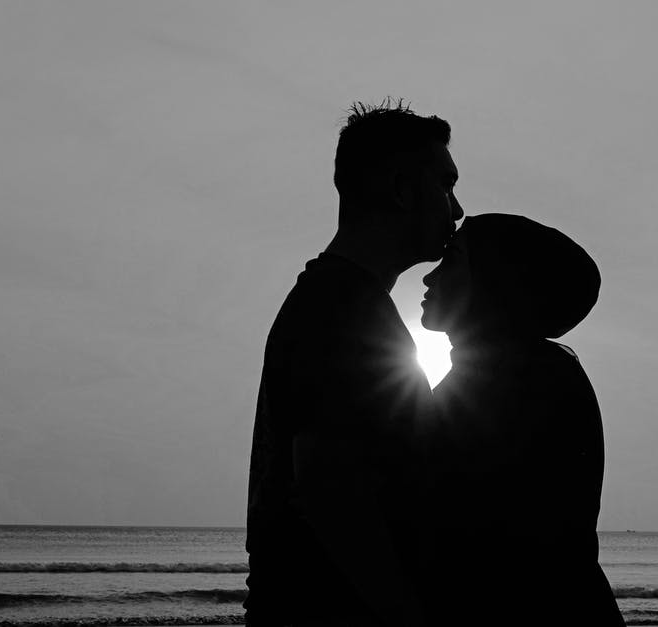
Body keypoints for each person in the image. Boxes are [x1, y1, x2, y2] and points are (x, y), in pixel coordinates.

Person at [245, 99, 464, 627]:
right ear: (400, 190)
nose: (456, 209)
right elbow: (332, 490)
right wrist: (407, 618)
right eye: (444, 185)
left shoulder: (347, 303)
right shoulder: (339, 310)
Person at [418, 213, 623, 626]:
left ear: (494, 282)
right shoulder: (519, 373)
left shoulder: (517, 383)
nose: (429, 279)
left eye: (452, 261)